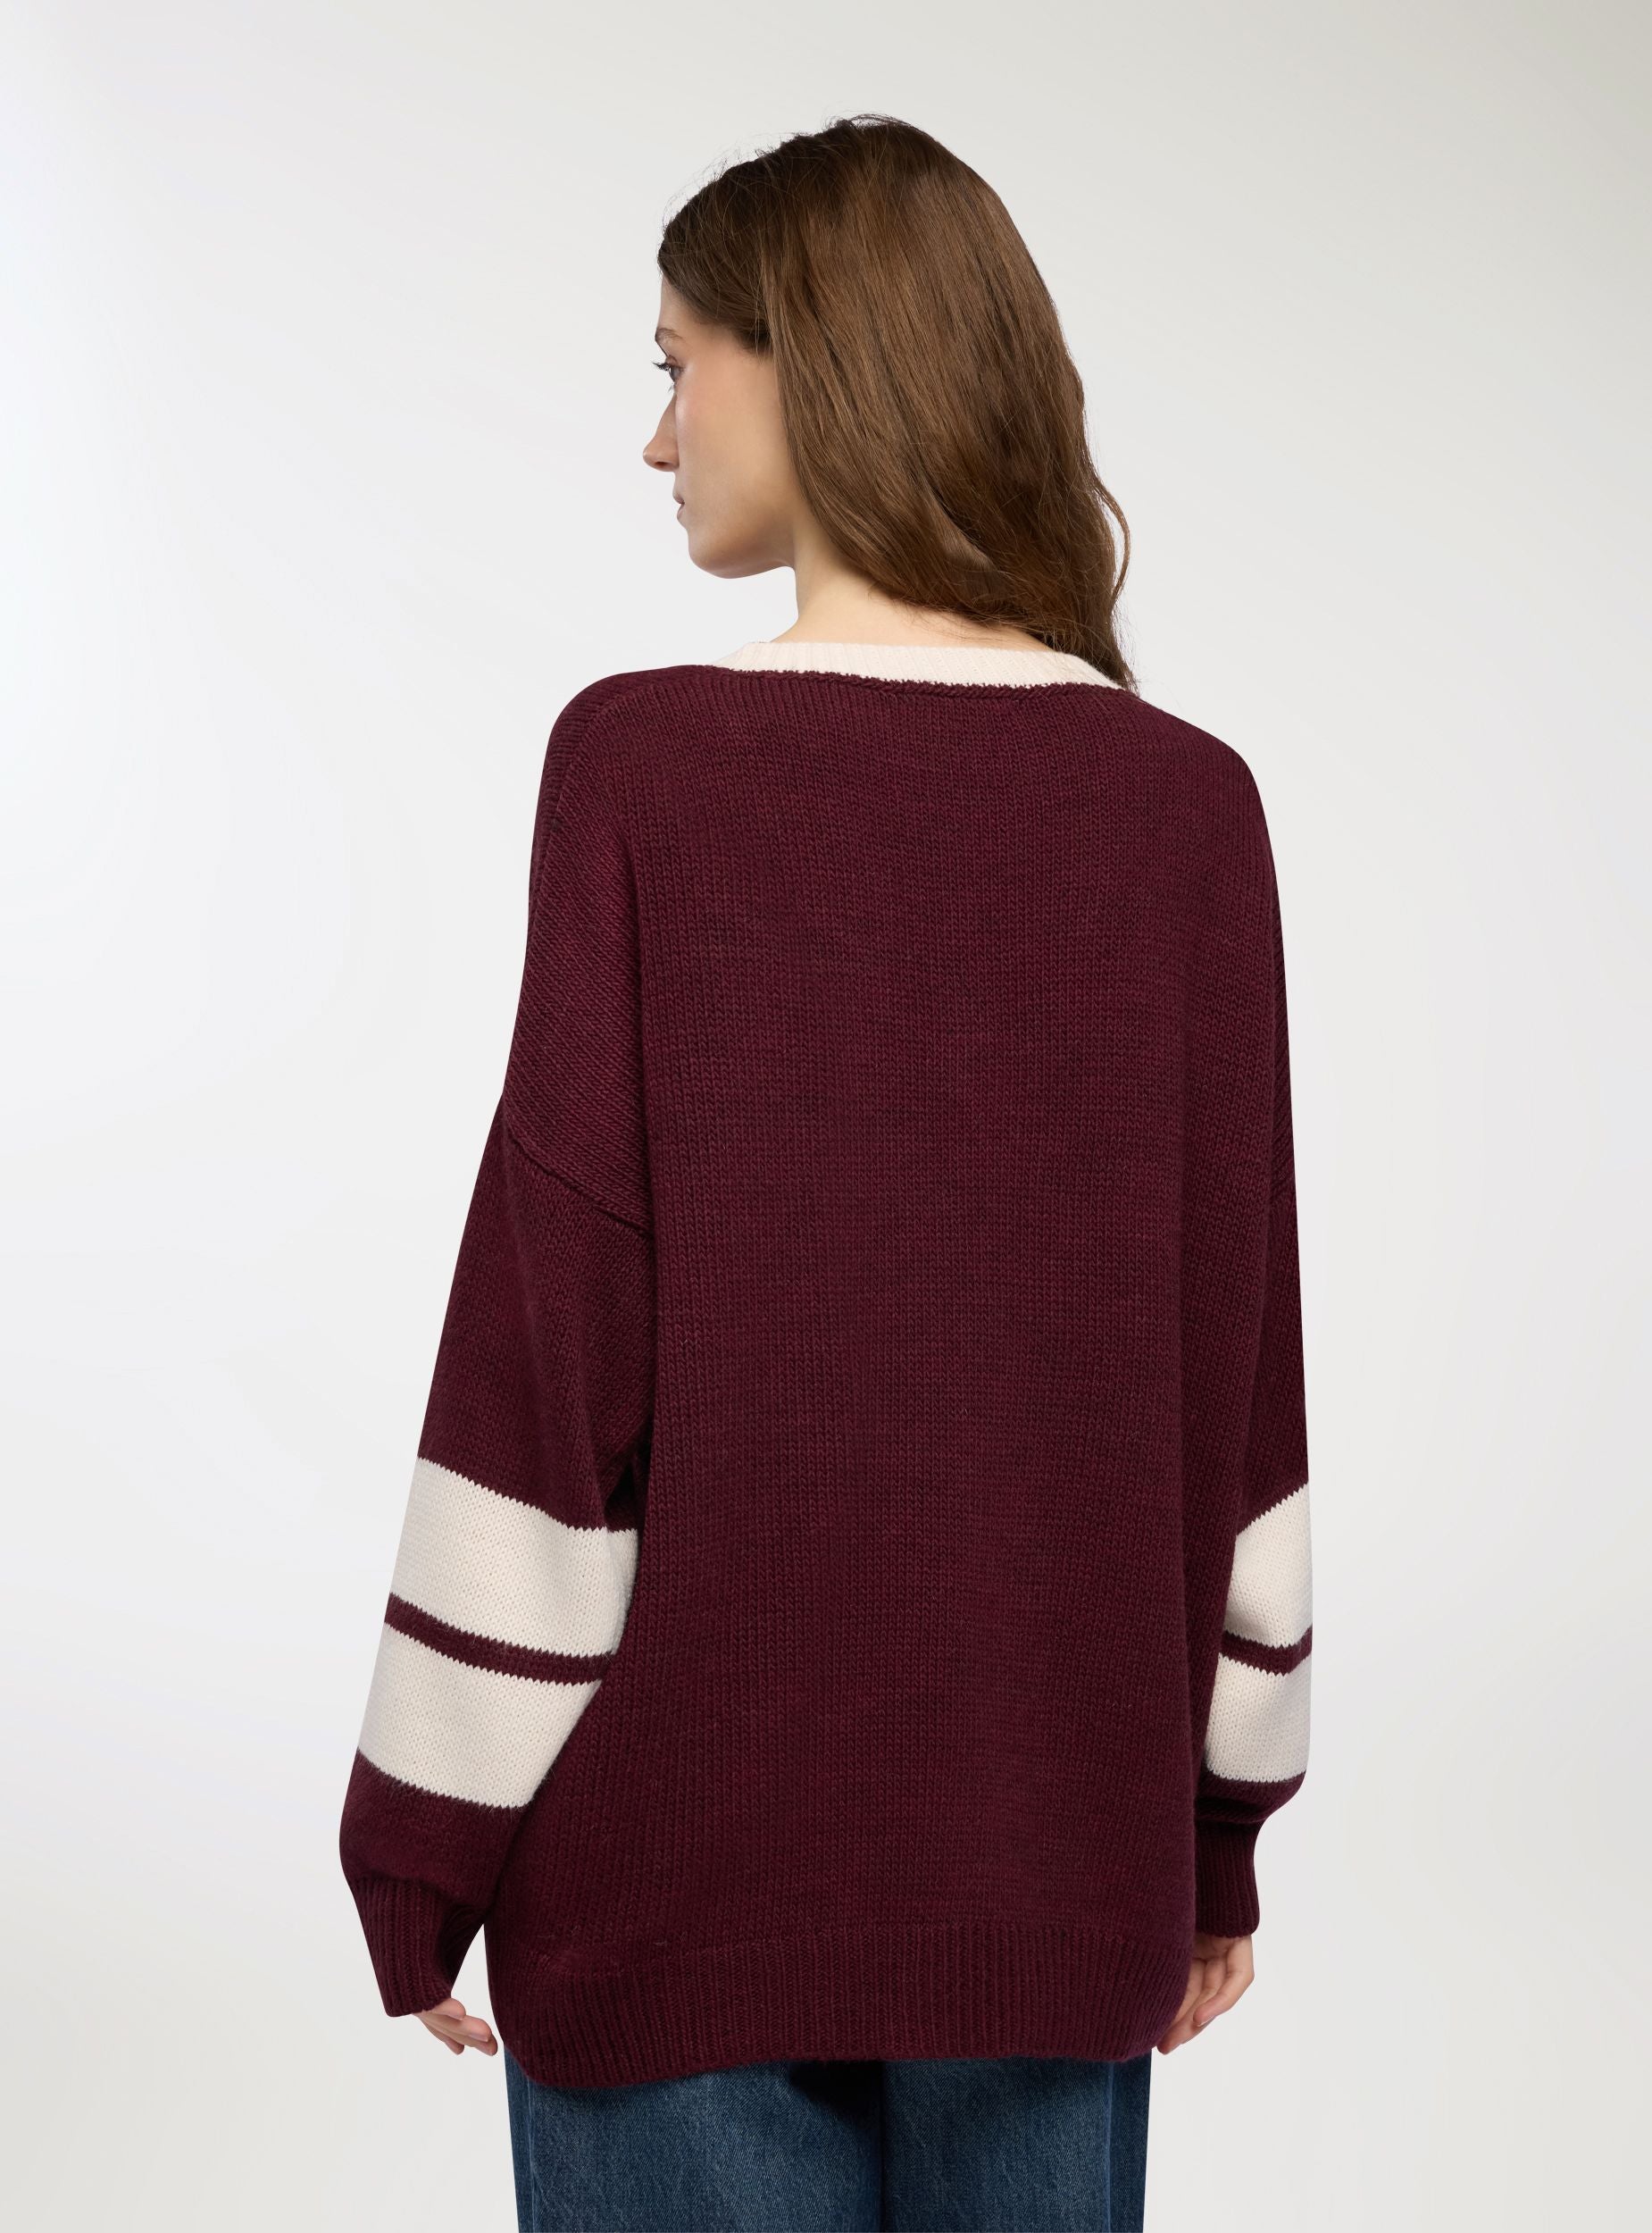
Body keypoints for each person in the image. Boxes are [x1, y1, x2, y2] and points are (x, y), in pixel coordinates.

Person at [338, 113, 1312, 2233]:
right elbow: (1241, 1378)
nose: (655, 432)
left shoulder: (641, 768)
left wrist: (419, 1835)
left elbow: (550, 1346)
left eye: (678, 361)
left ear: (816, 362)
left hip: (676, 1880)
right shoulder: (1185, 811)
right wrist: (1216, 1829)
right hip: (1058, 1874)